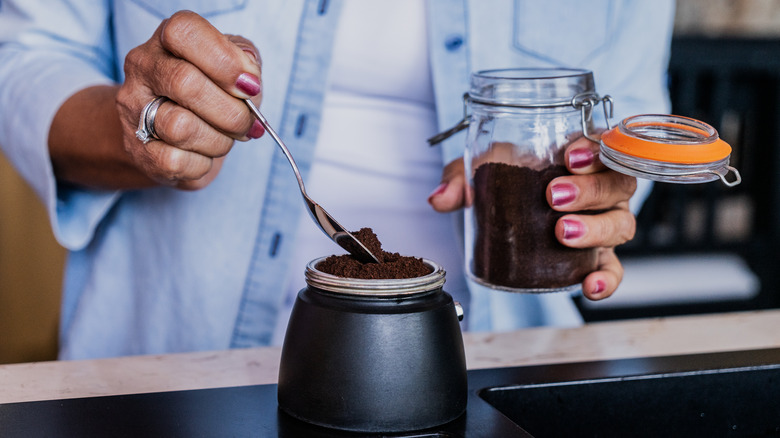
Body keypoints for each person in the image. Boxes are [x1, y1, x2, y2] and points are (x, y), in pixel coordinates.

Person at [0, 0, 675, 359]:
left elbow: (632, 117)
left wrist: (592, 184)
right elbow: (23, 63)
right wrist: (141, 130)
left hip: (506, 364)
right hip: (174, 362)